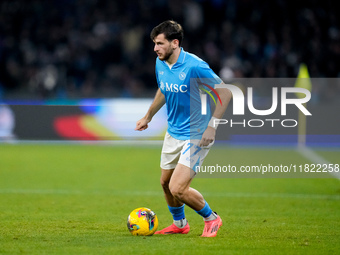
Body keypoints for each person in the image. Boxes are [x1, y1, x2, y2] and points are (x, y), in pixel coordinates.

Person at [135, 20, 231, 237]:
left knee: (177, 187)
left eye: (159, 43)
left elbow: (225, 93)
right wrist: (148, 116)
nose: (155, 48)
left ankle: (212, 218)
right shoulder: (161, 62)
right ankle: (180, 224)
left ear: (175, 43)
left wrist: (212, 127)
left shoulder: (195, 66)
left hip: (196, 134)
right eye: (154, 43)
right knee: (165, 183)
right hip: (173, 132)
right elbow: (163, 89)